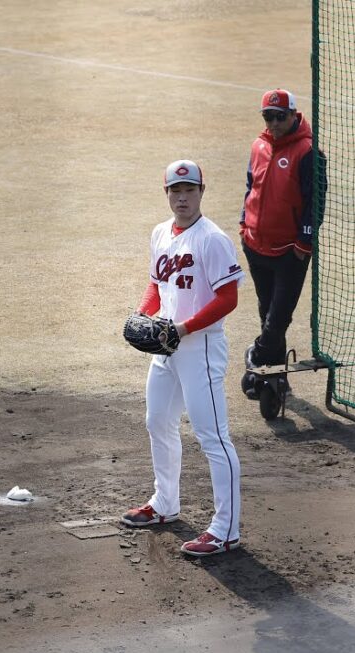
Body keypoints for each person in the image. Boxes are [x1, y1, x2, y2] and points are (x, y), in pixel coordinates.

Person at [119, 160, 245, 557]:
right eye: (176, 190)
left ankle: (225, 529)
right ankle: (165, 504)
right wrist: (142, 314)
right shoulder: (160, 233)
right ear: (167, 194)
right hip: (166, 345)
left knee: (213, 437)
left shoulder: (212, 239)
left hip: (200, 346)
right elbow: (156, 285)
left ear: (201, 192)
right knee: (158, 421)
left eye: (190, 190)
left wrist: (184, 328)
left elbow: (228, 298)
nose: (183, 197)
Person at [239, 88, 326, 399]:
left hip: (290, 252)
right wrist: (244, 223)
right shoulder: (258, 146)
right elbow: (251, 187)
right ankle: (275, 381)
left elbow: (315, 203)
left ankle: (257, 357)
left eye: (280, 116)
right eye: (268, 117)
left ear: (293, 115)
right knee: (267, 313)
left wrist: (304, 243)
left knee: (278, 318)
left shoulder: (309, 152)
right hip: (255, 245)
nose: (274, 123)